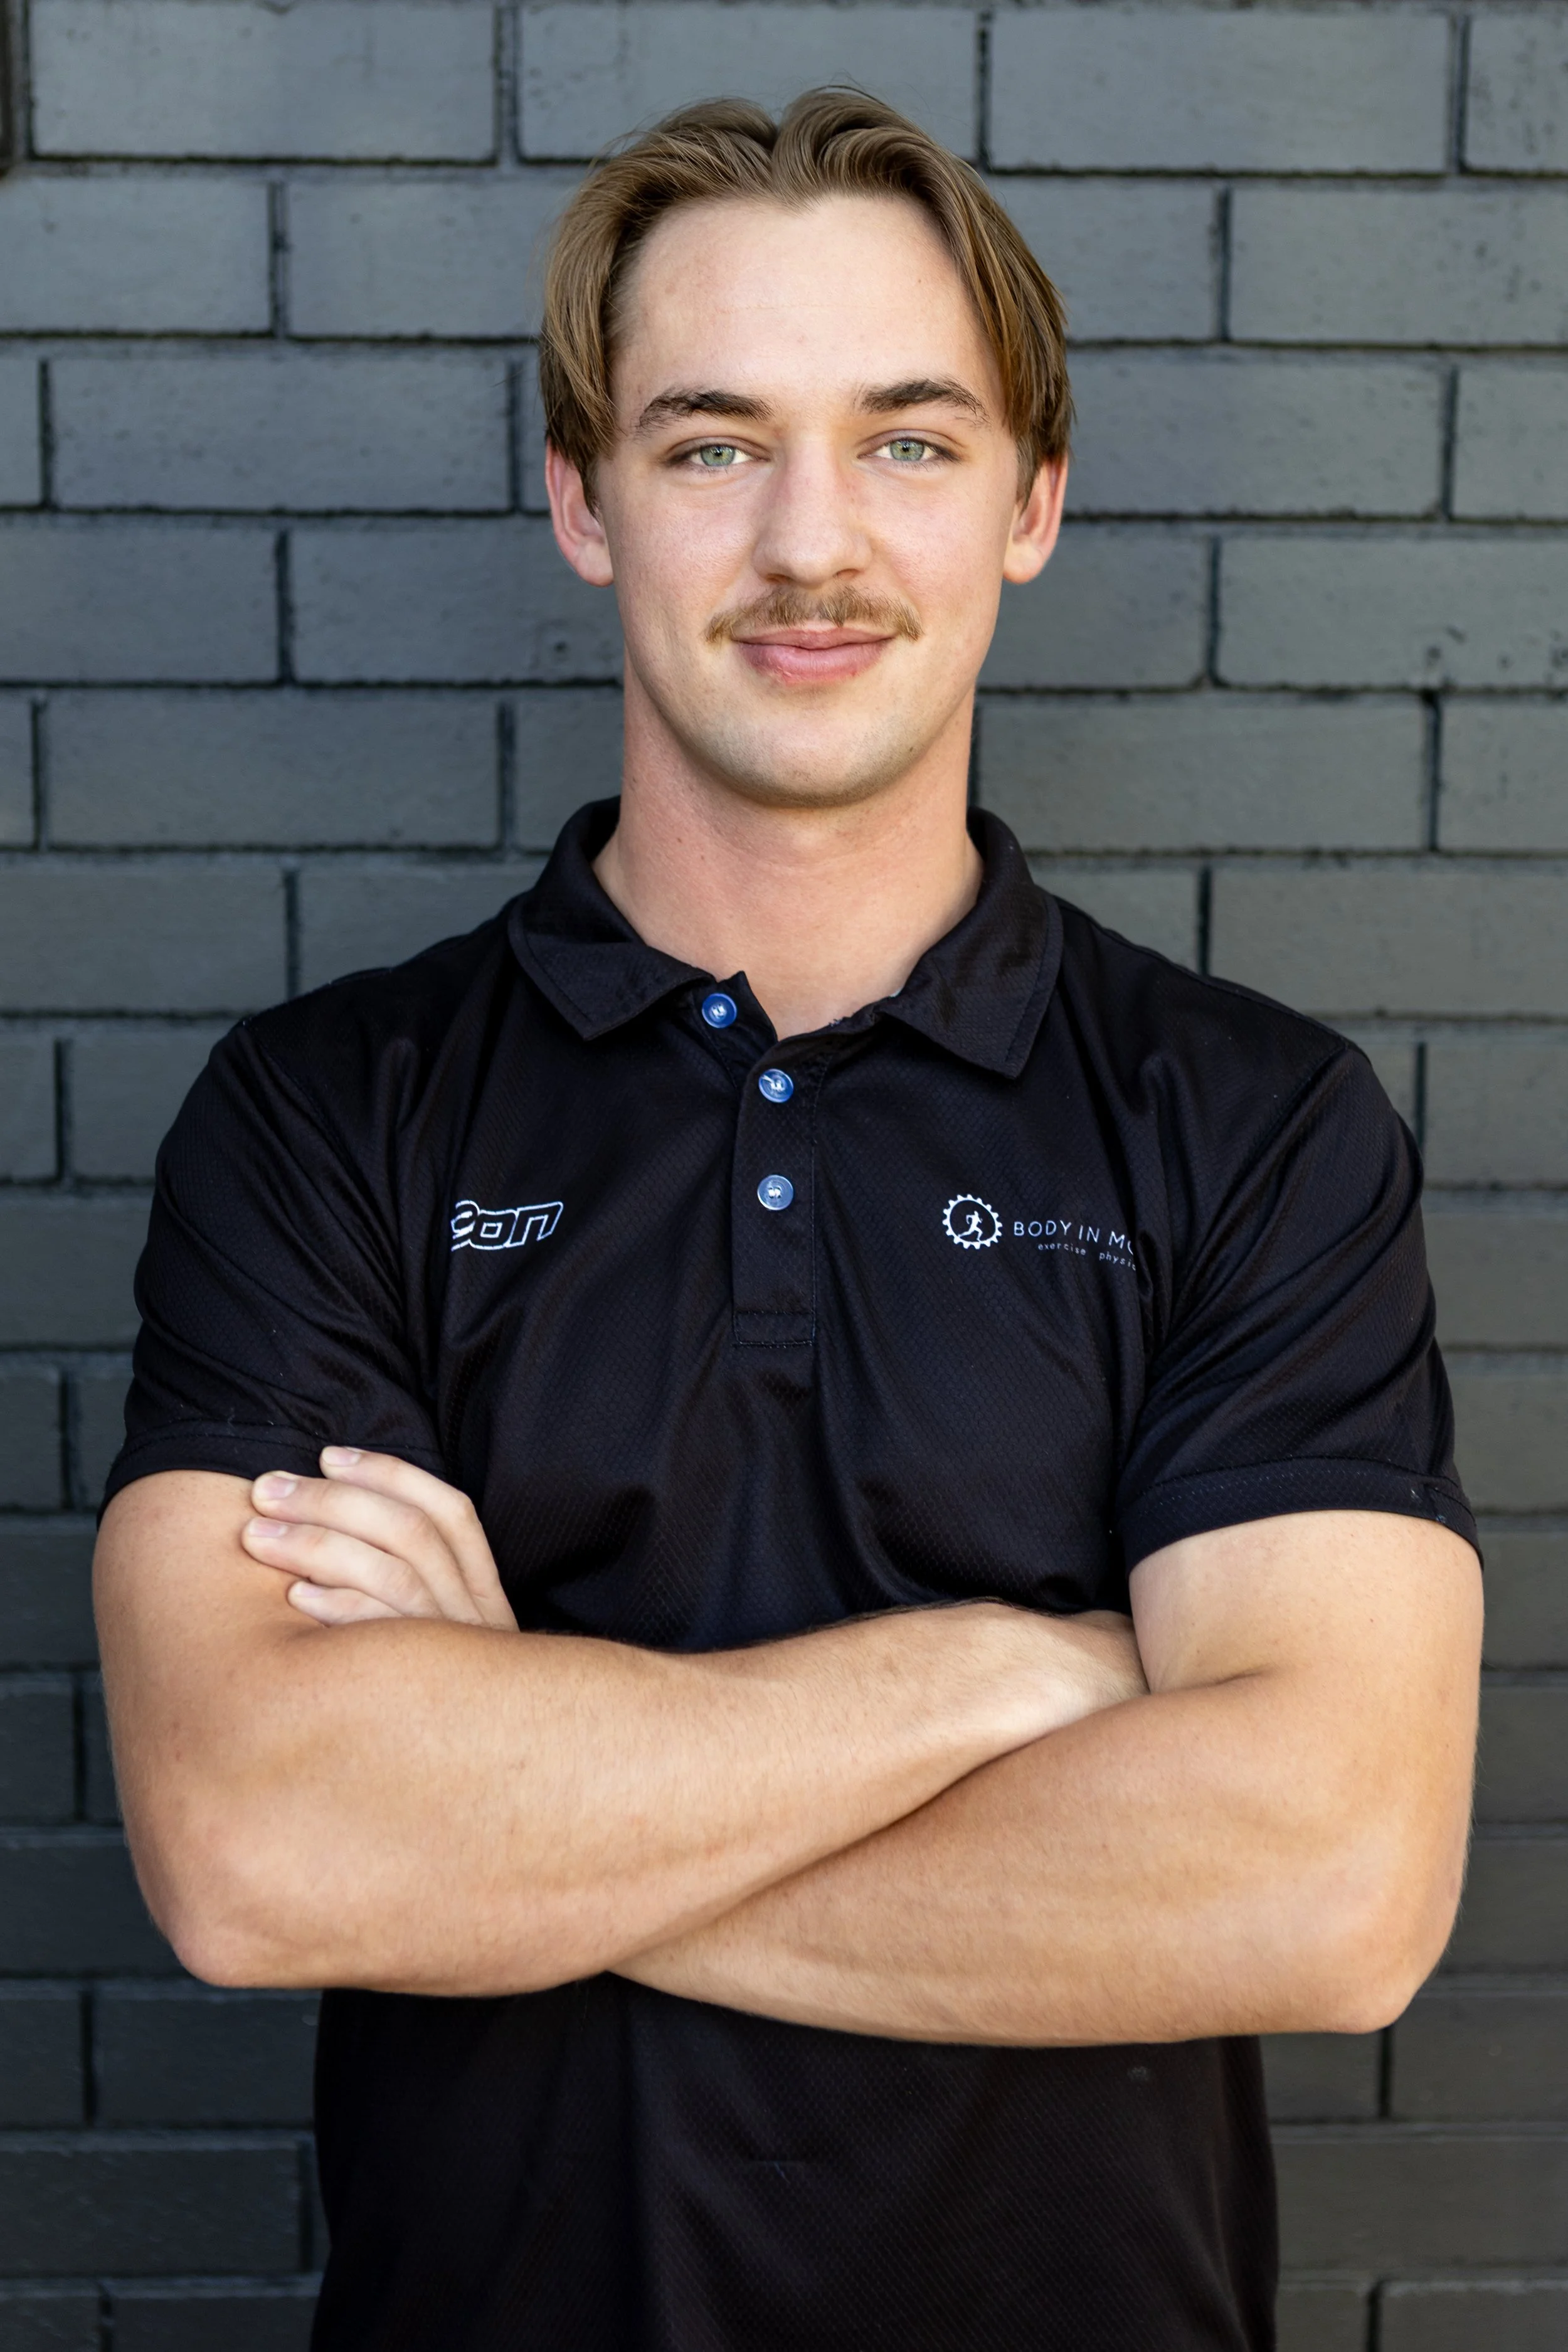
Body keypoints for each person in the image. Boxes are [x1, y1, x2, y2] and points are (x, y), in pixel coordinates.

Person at [95, 88, 1482, 2352]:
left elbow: (1327, 1888)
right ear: (584, 500)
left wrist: (507, 1799)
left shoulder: (1250, 1123)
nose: (809, 540)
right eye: (713, 443)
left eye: (908, 442)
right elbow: (260, 1852)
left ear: (1031, 503)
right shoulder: (329, 1115)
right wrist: (1018, 1670)